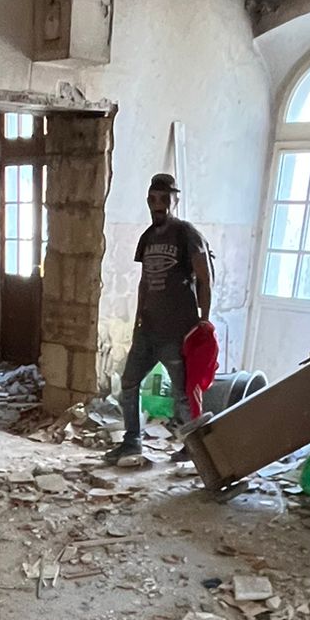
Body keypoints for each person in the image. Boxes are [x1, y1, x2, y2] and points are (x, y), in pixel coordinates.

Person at [108, 172, 213, 467]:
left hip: (178, 331)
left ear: (174, 200)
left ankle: (194, 450)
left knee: (182, 393)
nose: (159, 205)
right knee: (129, 382)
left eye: (165, 199)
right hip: (149, 329)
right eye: (154, 199)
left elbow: (205, 278)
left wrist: (204, 322)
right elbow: (144, 281)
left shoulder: (186, 233)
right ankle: (132, 442)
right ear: (148, 201)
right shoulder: (148, 238)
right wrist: (138, 320)